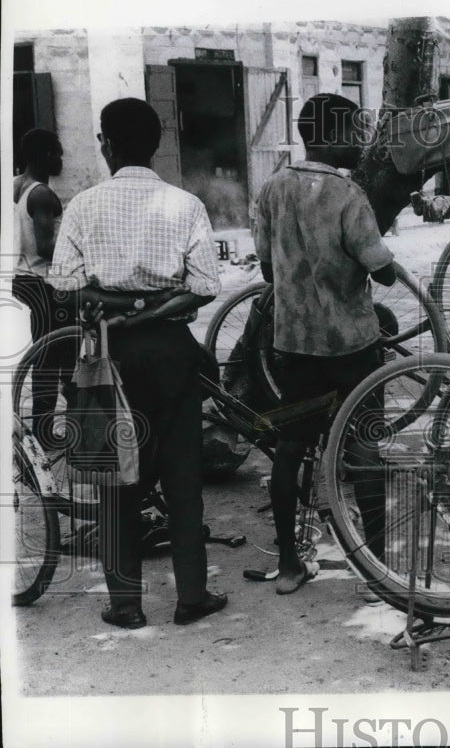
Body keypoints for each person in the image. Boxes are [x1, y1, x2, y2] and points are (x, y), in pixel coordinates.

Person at [48, 98, 225, 630]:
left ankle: (125, 604)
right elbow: (203, 289)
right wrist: (152, 303)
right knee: (182, 475)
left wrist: (118, 304)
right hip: (173, 352)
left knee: (113, 477)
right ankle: (191, 596)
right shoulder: (186, 204)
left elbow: (67, 289)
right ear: (155, 144)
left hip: (109, 357)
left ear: (105, 143)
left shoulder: (82, 205)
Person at [250, 93, 396, 595]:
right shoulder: (349, 196)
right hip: (353, 346)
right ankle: (377, 567)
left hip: (294, 347)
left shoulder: (273, 189)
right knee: (365, 448)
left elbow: (268, 268)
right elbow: (384, 270)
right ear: (331, 136)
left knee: (289, 448)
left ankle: (290, 563)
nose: (360, 142)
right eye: (354, 132)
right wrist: (382, 266)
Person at [12, 129, 74, 444]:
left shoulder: (14, 185)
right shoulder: (41, 194)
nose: (60, 160)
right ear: (45, 156)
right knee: (55, 358)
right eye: (57, 154)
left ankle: (43, 427)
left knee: (46, 356)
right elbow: (46, 247)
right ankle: (45, 432)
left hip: (20, 279)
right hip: (43, 282)